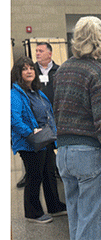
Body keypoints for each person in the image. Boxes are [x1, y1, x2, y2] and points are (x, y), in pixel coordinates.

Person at [53, 16, 101, 240]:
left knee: (77, 222)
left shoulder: (62, 70)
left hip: (64, 154)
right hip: (90, 156)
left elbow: (57, 111)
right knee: (93, 227)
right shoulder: (99, 72)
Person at [12, 56, 66, 223]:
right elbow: (14, 119)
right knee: (34, 177)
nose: (29, 71)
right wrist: (31, 134)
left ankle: (54, 206)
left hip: (46, 140)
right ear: (18, 73)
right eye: (24, 69)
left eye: (31, 68)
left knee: (49, 175)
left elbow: (48, 113)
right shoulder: (14, 94)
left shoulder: (37, 92)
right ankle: (33, 213)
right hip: (30, 143)